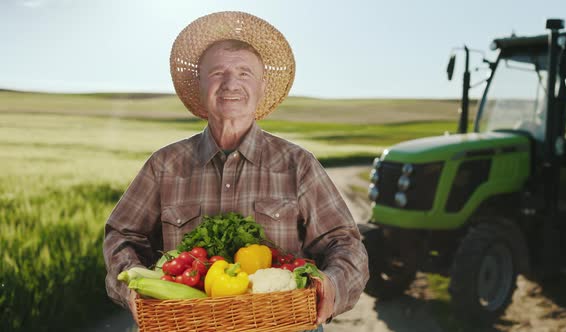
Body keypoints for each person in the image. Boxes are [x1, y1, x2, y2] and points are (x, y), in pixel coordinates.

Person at [103, 11, 369, 329]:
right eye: (217, 73)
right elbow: (122, 234)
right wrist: (134, 285)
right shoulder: (165, 165)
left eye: (244, 73)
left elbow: (344, 242)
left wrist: (333, 286)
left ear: (261, 85)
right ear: (200, 83)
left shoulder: (297, 165)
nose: (231, 83)